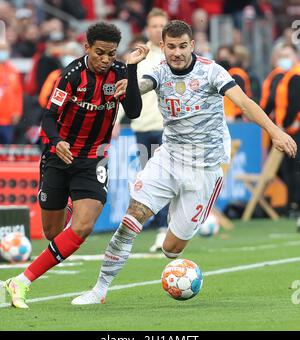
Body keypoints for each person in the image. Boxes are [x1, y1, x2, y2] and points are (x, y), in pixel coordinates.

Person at [72, 20, 297, 305]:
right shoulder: (159, 72)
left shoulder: (212, 71)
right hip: (168, 157)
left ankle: (182, 213)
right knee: (131, 220)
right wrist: (127, 80)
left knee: (171, 249)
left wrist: (275, 132)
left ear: (192, 45)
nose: (176, 53)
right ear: (163, 47)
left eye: (182, 46)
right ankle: (100, 289)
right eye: (170, 47)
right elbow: (139, 88)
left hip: (204, 168)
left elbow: (244, 103)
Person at [4, 21, 149, 309]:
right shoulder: (70, 76)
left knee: (81, 228)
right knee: (53, 234)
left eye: (111, 54)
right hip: (60, 157)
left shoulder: (120, 71)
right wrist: (57, 141)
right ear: (86, 48)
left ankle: (20, 281)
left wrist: (131, 70)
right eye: (100, 53)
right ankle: (68, 203)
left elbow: (133, 110)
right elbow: (47, 117)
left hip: (94, 158)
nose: (106, 60)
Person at [113, 7, 169, 252]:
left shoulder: (174, 54)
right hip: (143, 127)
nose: (158, 30)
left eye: (162, 26)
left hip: (167, 127)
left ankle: (165, 229)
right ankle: (159, 226)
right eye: (154, 26)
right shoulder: (140, 54)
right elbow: (127, 90)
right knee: (149, 181)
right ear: (148, 28)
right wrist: (115, 120)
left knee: (166, 178)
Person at [274, 46, 300, 228]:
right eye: (282, 56)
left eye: (287, 55)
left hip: (294, 129)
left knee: (294, 170)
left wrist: (287, 123)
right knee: (289, 170)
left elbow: (295, 102)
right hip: (287, 130)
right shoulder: (286, 76)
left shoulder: (295, 75)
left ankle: (295, 204)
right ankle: (293, 204)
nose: (284, 59)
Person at [0, 41, 23, 144]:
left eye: (4, 49)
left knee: (6, 152)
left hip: (8, 119)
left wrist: (18, 112)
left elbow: (18, 93)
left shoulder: (13, 70)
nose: (2, 51)